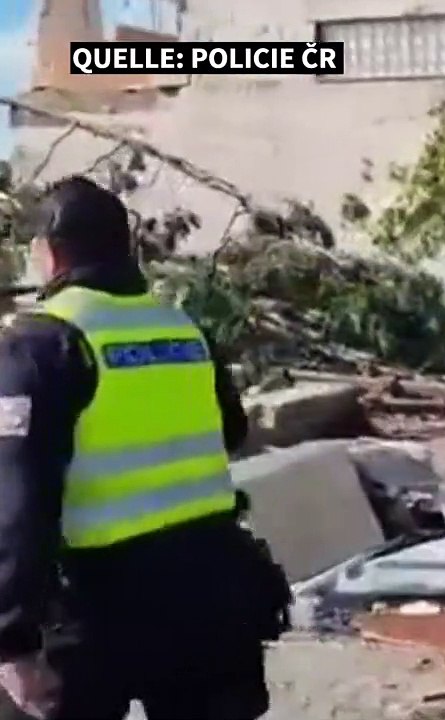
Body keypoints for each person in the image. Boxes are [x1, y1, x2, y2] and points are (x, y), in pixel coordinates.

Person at [0, 176, 289, 719]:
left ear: (48, 254)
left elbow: (19, 501)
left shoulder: (42, 343)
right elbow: (228, 433)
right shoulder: (184, 329)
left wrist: (11, 641)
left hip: (96, 605)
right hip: (211, 591)